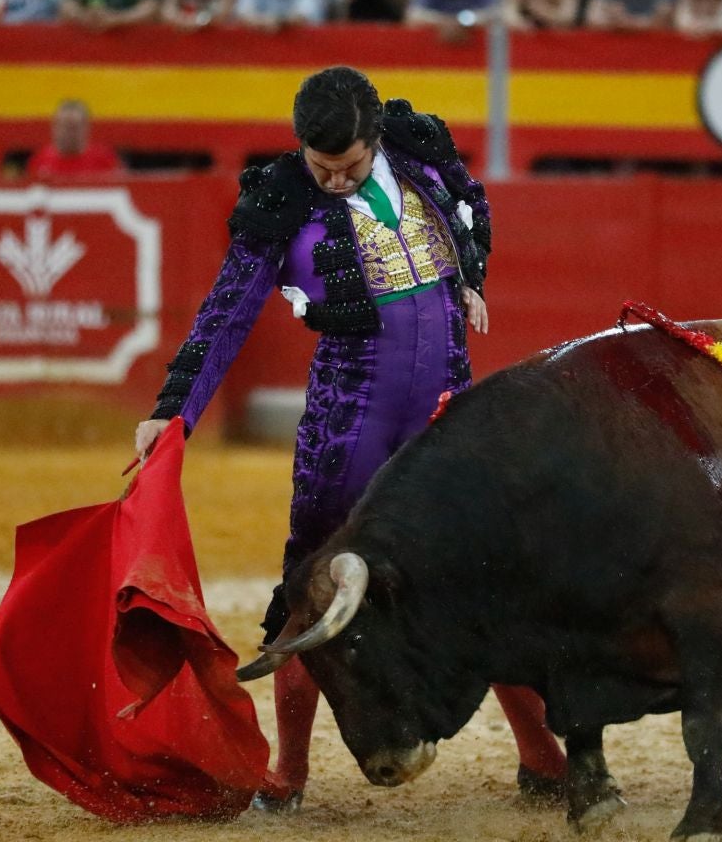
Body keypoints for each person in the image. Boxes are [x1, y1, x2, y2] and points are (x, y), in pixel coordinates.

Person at [136, 73, 570, 799]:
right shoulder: (283, 198)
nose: (335, 183)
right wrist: (174, 407)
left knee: (479, 574)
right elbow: (226, 313)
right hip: (351, 415)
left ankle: (541, 755)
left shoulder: (422, 154)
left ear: (377, 140)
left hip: (443, 412)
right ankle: (290, 771)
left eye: (351, 168)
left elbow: (472, 206)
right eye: (321, 168)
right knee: (317, 585)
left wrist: (472, 275)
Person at [28, 99, 123, 177]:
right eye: (64, 126)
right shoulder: (40, 161)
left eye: (73, 127)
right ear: (54, 127)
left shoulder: (104, 160)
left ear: (86, 128)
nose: (68, 133)